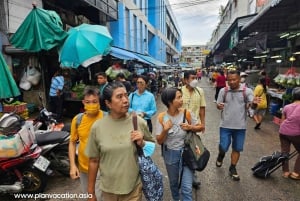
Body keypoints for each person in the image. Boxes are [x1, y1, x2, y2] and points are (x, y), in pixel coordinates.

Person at [85, 81, 155, 201]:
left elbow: (151, 147)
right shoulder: (98, 127)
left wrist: (142, 143)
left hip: (133, 188)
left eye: (126, 95)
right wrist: (91, 192)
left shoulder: (138, 122)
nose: (125, 100)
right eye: (119, 97)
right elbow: (93, 161)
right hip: (108, 190)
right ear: (108, 103)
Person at [156, 87, 202, 201]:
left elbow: (201, 127)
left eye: (181, 96)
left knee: (186, 188)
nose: (182, 100)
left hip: (187, 154)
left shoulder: (187, 113)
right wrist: (165, 130)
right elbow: (159, 141)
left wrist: (190, 127)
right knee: (174, 184)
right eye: (179, 97)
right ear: (169, 101)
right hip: (170, 154)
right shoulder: (162, 117)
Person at [216, 70, 257, 181]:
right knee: (224, 146)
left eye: (234, 79)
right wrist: (219, 106)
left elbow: (251, 104)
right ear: (227, 80)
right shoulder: (223, 91)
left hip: (240, 127)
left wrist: (254, 103)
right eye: (229, 80)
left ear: (239, 79)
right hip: (225, 125)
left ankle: (232, 168)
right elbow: (218, 104)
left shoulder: (247, 91)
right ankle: (221, 155)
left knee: (237, 148)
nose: (232, 82)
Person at [69, 86, 105, 201]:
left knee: (98, 197)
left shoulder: (106, 117)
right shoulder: (78, 120)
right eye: (88, 102)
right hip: (84, 168)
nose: (91, 104)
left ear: (99, 102)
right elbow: (72, 142)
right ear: (83, 102)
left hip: (103, 168)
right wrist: (73, 165)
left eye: (95, 102)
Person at [181, 70, 206, 188]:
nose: (195, 80)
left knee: (193, 150)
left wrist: (203, 124)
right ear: (185, 80)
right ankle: (182, 175)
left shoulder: (200, 92)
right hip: (181, 127)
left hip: (195, 127)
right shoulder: (179, 91)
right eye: (192, 78)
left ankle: (193, 175)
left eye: (196, 77)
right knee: (181, 151)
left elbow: (202, 109)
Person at [279, 87, 300, 180]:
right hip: (295, 133)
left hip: (283, 131)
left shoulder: (287, 107)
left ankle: (285, 172)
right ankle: (296, 173)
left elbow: (282, 121)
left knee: (285, 152)